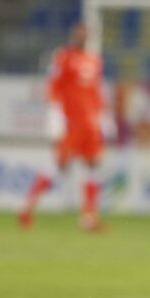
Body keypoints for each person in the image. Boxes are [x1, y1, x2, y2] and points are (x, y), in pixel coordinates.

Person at [18, 22, 108, 232]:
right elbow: (53, 86)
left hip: (90, 123)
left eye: (85, 34)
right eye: (78, 34)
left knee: (93, 163)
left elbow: (95, 90)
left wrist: (103, 115)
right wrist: (55, 115)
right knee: (60, 163)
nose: (81, 37)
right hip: (71, 121)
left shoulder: (94, 60)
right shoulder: (63, 57)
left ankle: (89, 217)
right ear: (73, 36)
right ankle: (27, 208)